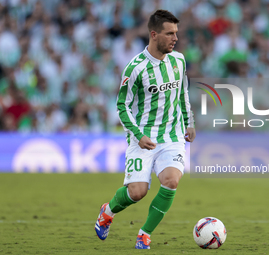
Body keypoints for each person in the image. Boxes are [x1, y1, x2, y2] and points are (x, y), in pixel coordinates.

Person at [94, 9, 195, 249]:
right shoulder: (135, 68)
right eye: (169, 33)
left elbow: (183, 94)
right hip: (143, 138)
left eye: (176, 33)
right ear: (153, 34)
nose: (175, 38)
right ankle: (107, 211)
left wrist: (189, 121)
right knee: (137, 192)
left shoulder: (178, 61)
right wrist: (138, 136)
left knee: (171, 181)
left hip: (172, 136)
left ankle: (144, 234)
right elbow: (122, 106)